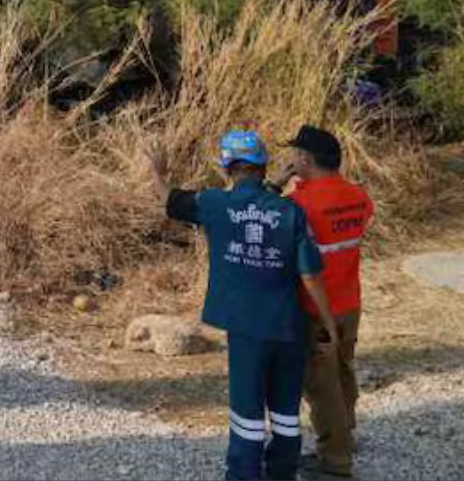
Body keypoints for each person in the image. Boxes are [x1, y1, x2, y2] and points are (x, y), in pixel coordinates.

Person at [152, 131, 339, 481]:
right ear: (263, 167)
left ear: (227, 168)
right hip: (288, 326)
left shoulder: (213, 204)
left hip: (246, 329)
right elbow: (310, 274)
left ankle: (243, 473)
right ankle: (281, 472)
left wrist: (158, 172)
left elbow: (170, 200)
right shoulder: (290, 211)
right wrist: (328, 321)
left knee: (247, 411)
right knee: (285, 412)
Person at [276, 126, 375, 480]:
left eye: (295, 155)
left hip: (316, 311)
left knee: (322, 386)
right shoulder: (359, 197)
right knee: (344, 370)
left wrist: (277, 183)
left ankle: (335, 463)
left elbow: (267, 215)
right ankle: (345, 437)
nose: (291, 160)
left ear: (305, 159)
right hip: (350, 303)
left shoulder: (299, 206)